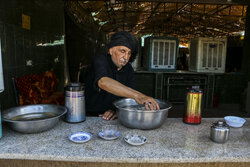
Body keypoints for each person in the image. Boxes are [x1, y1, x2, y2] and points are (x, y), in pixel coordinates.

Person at [85, 31, 159, 120]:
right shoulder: (101, 60)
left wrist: (116, 111)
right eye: (122, 51)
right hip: (90, 116)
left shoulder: (128, 69)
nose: (126, 57)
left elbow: (127, 97)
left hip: (112, 118)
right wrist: (139, 96)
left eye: (129, 53)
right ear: (111, 50)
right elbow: (103, 82)